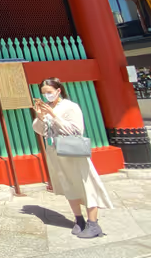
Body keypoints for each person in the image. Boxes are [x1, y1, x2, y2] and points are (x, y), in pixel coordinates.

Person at [32, 78, 113, 239]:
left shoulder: (70, 107)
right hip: (55, 151)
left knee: (86, 184)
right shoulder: (48, 108)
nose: (47, 95)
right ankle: (79, 219)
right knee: (68, 185)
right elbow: (39, 130)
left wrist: (53, 115)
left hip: (72, 151)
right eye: (44, 93)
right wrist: (41, 117)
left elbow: (76, 130)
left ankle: (93, 223)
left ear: (58, 90)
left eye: (49, 92)